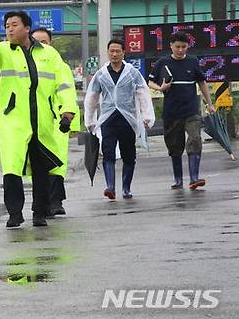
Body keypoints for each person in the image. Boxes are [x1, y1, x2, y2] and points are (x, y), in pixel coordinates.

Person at [0, 11, 77, 227]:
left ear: (26, 28)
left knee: (41, 168)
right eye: (7, 25)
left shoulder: (49, 54)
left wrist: (68, 112)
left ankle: (40, 211)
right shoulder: (5, 51)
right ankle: (14, 213)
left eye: (14, 25)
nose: (9, 29)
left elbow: (64, 84)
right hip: (14, 120)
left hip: (42, 118)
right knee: (12, 166)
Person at [84, 39, 155, 199]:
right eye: (112, 51)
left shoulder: (132, 72)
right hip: (108, 119)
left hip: (128, 119)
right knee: (108, 152)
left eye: (118, 51)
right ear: (108, 52)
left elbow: (143, 93)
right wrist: (89, 120)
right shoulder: (101, 74)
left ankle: (126, 188)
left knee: (129, 154)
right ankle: (110, 187)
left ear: (123, 53)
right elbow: (92, 97)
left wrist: (147, 116)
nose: (114, 54)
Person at [147, 32, 215, 190]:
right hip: (171, 111)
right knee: (174, 146)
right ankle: (178, 179)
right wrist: (161, 88)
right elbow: (150, 81)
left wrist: (209, 103)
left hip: (191, 110)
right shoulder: (162, 62)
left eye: (184, 47)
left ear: (188, 47)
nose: (180, 50)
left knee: (195, 139)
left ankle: (194, 178)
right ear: (171, 45)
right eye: (177, 47)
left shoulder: (192, 61)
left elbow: (202, 82)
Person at [31, 27, 80, 215]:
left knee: (57, 162)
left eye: (45, 42)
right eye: (37, 41)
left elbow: (68, 93)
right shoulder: (25, 66)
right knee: (39, 164)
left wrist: (71, 122)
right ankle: (43, 202)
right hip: (36, 122)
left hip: (57, 122)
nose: (41, 45)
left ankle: (56, 201)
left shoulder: (60, 66)